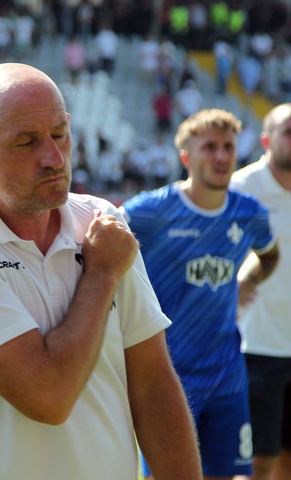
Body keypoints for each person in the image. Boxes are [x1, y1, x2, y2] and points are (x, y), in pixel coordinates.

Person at [0, 62, 202, 480]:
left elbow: (152, 382)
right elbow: (48, 396)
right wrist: (99, 275)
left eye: (60, 134)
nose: (54, 158)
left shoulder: (101, 220)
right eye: (26, 143)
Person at [119, 108, 280, 480]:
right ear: (186, 157)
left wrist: (248, 282)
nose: (221, 156)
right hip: (164, 376)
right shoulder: (151, 212)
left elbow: (270, 256)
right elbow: (97, 245)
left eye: (227, 146)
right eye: (209, 147)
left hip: (227, 373)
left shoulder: (249, 214)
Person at [230, 103, 291, 480]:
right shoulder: (243, 188)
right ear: (267, 140)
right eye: (288, 131)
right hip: (257, 345)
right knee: (257, 462)